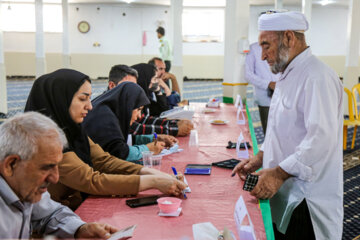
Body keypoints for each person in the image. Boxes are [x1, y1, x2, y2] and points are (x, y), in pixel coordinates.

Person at [232, 11, 343, 240]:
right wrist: (260, 157)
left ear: (289, 38)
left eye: (266, 46)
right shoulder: (286, 74)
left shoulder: (316, 77)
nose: (262, 56)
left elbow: (320, 139)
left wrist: (279, 173)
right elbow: (276, 129)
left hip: (306, 198)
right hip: (284, 188)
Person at [24, 69, 187, 210]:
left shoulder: (73, 129)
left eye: (89, 98)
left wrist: (154, 173)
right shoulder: (44, 141)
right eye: (83, 99)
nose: (90, 106)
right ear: (60, 99)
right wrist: (154, 181)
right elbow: (92, 180)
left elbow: (104, 160)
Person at [0, 112, 118, 238]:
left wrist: (79, 229)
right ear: (11, 165)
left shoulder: (25, 186)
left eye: (56, 165)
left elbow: (50, 214)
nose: (55, 178)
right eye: (46, 167)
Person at [84, 81, 177, 161]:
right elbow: (120, 152)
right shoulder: (105, 117)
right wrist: (148, 149)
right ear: (128, 105)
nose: (139, 116)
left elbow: (120, 141)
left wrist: (152, 138)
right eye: (138, 109)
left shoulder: (112, 110)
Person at [107, 64, 193, 137]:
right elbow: (134, 128)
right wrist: (175, 129)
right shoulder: (110, 105)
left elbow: (144, 119)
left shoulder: (132, 98)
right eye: (154, 79)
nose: (157, 82)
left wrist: (174, 123)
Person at [245, 42, 279, 134]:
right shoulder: (254, 48)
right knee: (268, 132)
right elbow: (248, 74)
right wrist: (268, 84)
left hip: (284, 96)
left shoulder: (283, 46)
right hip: (265, 98)